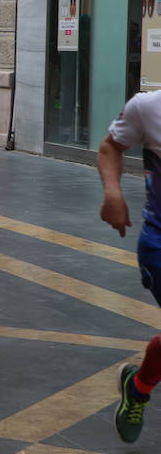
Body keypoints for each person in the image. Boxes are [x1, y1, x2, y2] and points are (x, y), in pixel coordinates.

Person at [98, 89, 161, 444]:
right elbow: (110, 147)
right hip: (159, 242)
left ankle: (138, 387)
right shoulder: (148, 107)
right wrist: (112, 193)